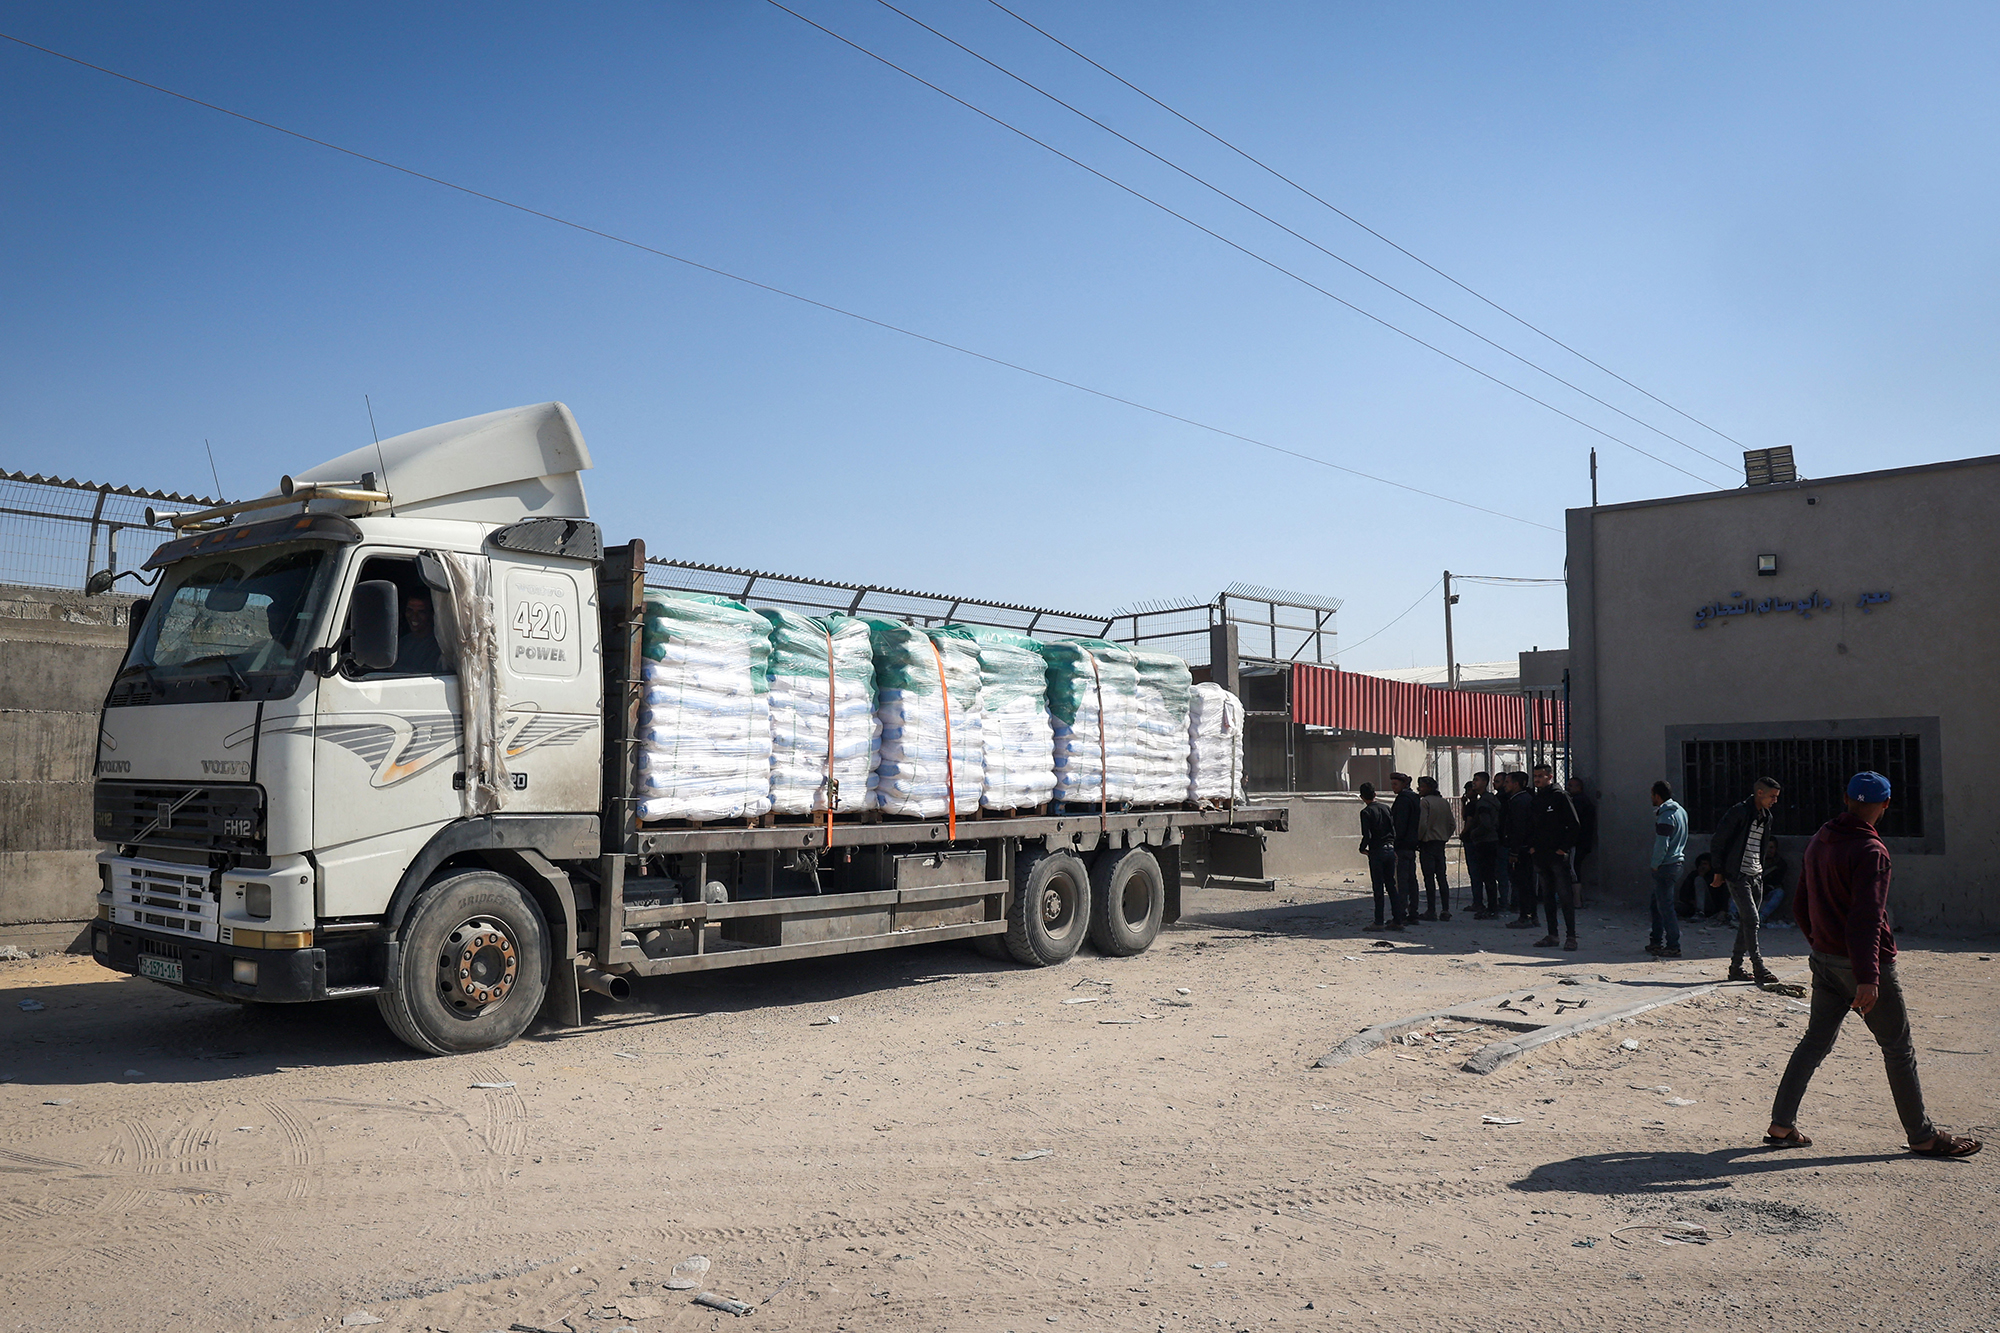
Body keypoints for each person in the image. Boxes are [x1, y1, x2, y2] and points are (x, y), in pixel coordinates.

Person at [1765, 771, 1981, 1158]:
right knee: (1898, 1049)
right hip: (1862, 964)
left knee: (1814, 1042)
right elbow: (1866, 918)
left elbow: (1801, 904)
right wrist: (1867, 977)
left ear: (1846, 799)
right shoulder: (1871, 852)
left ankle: (1781, 1124)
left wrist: (1820, 945)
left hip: (1825, 960)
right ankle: (1922, 1136)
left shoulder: (1819, 841)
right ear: (1884, 805)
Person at [1710, 777, 1783, 985]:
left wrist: (1759, 871)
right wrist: (1718, 871)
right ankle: (1758, 967)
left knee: (1747, 921)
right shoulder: (1739, 812)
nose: (1774, 801)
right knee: (1752, 920)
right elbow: (1718, 841)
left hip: (1756, 874)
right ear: (1759, 793)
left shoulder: (1766, 817)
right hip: (1738, 874)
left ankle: (1736, 967)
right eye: (1772, 796)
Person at [1526, 764, 1582, 949]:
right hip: (1541, 856)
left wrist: (1563, 849)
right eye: (1535, 776)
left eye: (1541, 776)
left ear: (1550, 776)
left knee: (1565, 897)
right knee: (1547, 897)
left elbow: (1574, 825)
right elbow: (1532, 826)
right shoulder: (1536, 799)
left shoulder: (1560, 796)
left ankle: (1571, 937)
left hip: (1557, 856)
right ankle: (1552, 935)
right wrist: (1532, 847)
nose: (1537, 779)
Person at [1647, 780, 1687, 958]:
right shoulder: (1680, 812)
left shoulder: (1666, 815)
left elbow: (1662, 844)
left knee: (1665, 907)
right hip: (1676, 863)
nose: (1651, 799)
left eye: (1652, 795)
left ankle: (1673, 944)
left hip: (1666, 865)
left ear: (1657, 795)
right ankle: (1656, 941)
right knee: (1657, 904)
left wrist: (1655, 864)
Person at [1356, 783, 1403, 932]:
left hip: (1377, 852)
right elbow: (1393, 830)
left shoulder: (1366, 812)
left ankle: (1378, 921)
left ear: (1362, 797)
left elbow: (1367, 835)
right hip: (1389, 849)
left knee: (1378, 887)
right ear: (1375, 794)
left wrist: (1362, 849)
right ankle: (1398, 920)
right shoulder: (1386, 808)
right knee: (1391, 886)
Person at [1462, 772, 1502, 919]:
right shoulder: (1488, 800)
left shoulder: (1484, 802)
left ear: (1485, 782)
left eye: (1477, 780)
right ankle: (1492, 907)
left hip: (1485, 842)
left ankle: (1492, 909)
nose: (1474, 783)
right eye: (1473, 780)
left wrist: (1473, 834)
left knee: (1487, 876)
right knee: (1489, 876)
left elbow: (1486, 824)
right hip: (1490, 840)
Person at [1501, 772, 1538, 928]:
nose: (1505, 785)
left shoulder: (1519, 802)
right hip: (1526, 848)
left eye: (1508, 782)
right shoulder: (1524, 799)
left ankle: (1526, 916)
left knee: (1523, 883)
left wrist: (1514, 851)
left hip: (1522, 850)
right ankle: (1532, 915)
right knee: (1528, 883)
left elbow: (1518, 828)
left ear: (1516, 784)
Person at [1417, 776, 1456, 920]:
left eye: (1421, 786)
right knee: (1442, 877)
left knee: (1429, 878)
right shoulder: (1444, 802)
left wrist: (1419, 838)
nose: (1419, 789)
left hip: (1427, 844)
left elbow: (1422, 825)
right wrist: (1444, 836)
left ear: (1428, 787)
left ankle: (1431, 910)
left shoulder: (1425, 802)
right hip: (1440, 844)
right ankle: (1445, 910)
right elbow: (1452, 824)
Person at [1389, 773, 1422, 927]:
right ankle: (1413, 913)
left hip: (1402, 846)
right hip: (1411, 844)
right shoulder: (1415, 799)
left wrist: (1394, 843)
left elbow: (1399, 825)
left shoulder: (1403, 800)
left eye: (1395, 784)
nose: (1393, 787)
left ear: (1403, 784)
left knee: (1402, 881)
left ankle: (1401, 913)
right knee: (1411, 880)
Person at [392, 588, 445, 674]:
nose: (414, 617)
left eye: (421, 612)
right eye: (410, 610)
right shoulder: (403, 642)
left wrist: (393, 668)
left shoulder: (438, 647)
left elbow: (425, 677)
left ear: (432, 614)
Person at [1566, 776, 1598, 900]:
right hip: (1582, 841)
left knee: (1574, 869)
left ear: (1579, 787)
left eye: (1571, 785)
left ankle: (1576, 900)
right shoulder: (1582, 800)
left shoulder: (1578, 801)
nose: (1568, 788)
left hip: (1578, 842)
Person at [1676, 852, 1717, 918]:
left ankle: (1700, 912)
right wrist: (1691, 901)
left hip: (1712, 906)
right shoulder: (1693, 875)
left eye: (1705, 864)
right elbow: (1683, 893)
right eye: (1701, 864)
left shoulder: (1715, 876)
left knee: (1699, 880)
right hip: (1693, 905)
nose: (1703, 867)